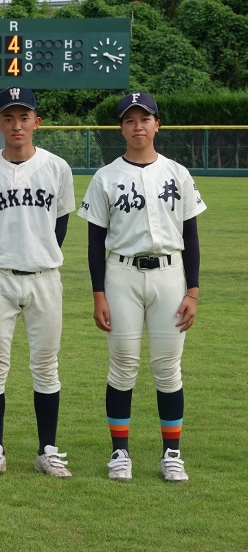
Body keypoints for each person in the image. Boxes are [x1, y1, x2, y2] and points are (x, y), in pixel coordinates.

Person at [78, 91, 205, 483]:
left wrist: (193, 291)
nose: (138, 126)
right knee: (123, 365)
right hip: (122, 275)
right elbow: (95, 242)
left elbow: (191, 235)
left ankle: (172, 454)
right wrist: (98, 293)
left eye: (145, 119)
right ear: (121, 128)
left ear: (157, 124)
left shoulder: (177, 172)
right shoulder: (106, 176)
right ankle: (120, 453)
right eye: (130, 120)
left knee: (168, 368)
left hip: (170, 274)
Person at [0, 86, 75, 478]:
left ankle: (48, 450)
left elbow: (59, 225)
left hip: (45, 277)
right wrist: (6, 256)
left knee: (46, 365)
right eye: (8, 117)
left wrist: (36, 254)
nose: (16, 125)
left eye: (24, 117)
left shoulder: (57, 167)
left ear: (36, 122)